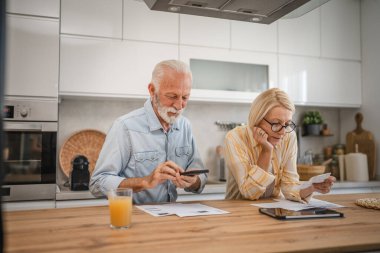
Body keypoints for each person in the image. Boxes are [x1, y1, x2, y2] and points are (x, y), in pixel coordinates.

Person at [90, 60, 207, 204]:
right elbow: (97, 183)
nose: (178, 106)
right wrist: (145, 182)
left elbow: (201, 178)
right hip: (135, 219)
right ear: (152, 90)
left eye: (185, 97)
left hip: (173, 218)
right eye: (172, 96)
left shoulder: (185, 126)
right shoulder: (125, 127)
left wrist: (193, 181)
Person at [223, 88, 335, 203]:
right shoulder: (235, 138)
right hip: (238, 212)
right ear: (257, 120)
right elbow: (250, 192)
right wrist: (266, 151)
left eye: (287, 124)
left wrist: (312, 187)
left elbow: (289, 185)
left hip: (273, 210)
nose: (282, 132)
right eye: (276, 123)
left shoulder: (289, 136)